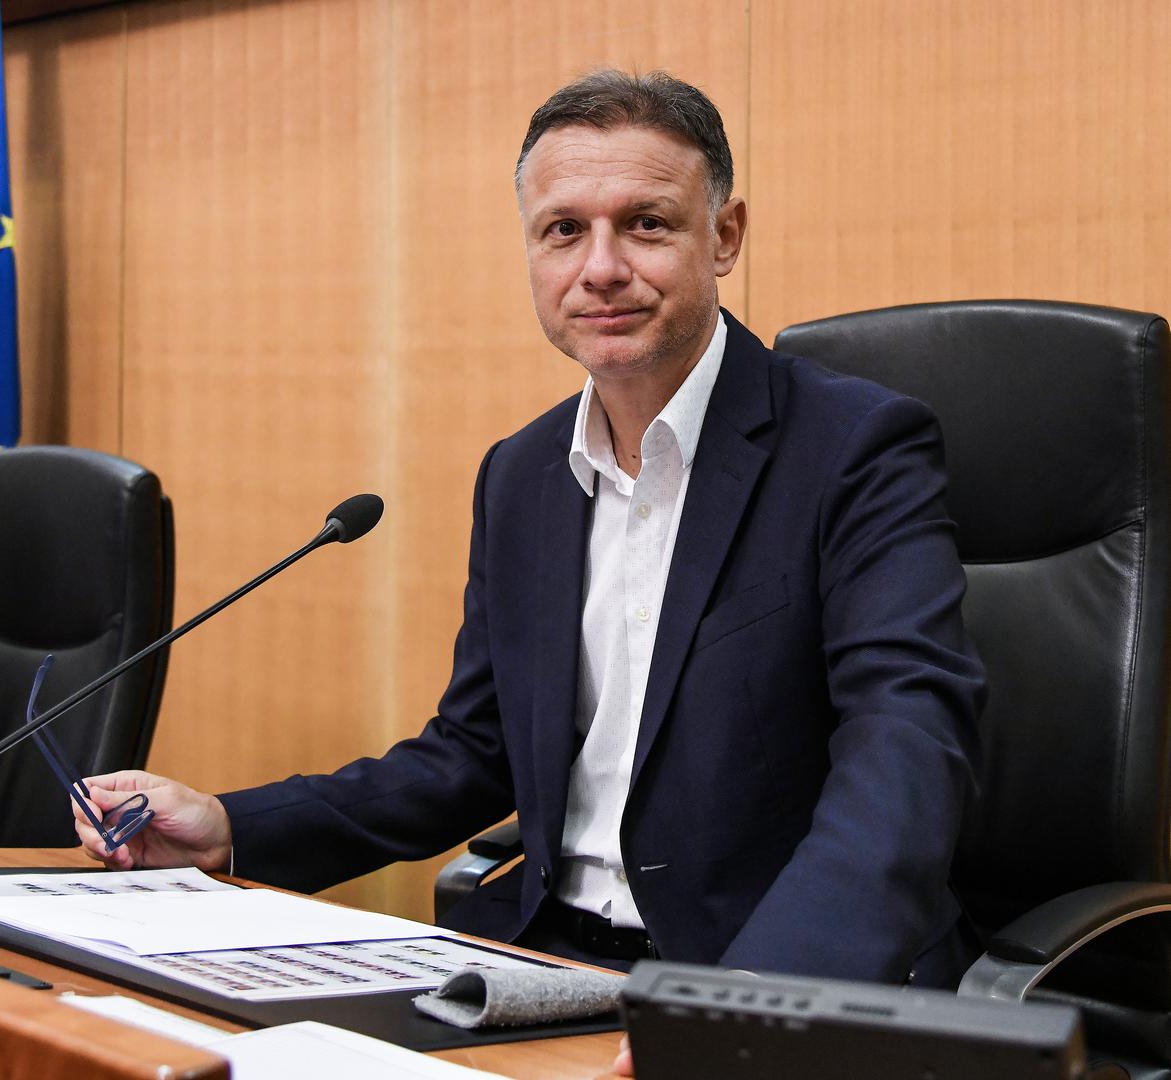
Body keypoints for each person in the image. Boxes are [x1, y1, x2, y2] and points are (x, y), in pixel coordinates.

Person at [73, 69, 983, 1051]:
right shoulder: (521, 475)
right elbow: (472, 755)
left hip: (766, 981)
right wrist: (232, 825)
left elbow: (904, 750)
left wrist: (749, 1014)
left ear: (722, 238)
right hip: (546, 971)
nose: (598, 267)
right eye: (561, 230)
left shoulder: (854, 447)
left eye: (644, 224)